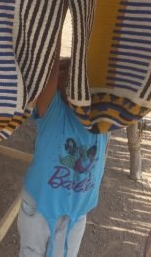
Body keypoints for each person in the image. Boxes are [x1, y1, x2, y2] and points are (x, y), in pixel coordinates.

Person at [18, 45, 109, 257]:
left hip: (75, 215)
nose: (71, 78)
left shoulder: (101, 121)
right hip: (39, 207)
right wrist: (55, 25)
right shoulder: (53, 113)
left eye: (75, 74)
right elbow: (49, 70)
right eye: (63, 73)